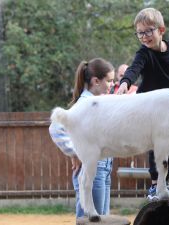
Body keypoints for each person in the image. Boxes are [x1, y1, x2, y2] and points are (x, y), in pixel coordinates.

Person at [116, 7, 169, 201]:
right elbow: (134, 69)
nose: (144, 37)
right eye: (140, 33)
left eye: (148, 31)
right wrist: (125, 83)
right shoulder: (144, 53)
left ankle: (168, 182)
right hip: (149, 105)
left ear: (161, 30)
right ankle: (154, 185)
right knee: (156, 144)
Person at [49, 58, 115, 218]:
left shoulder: (98, 102)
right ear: (96, 81)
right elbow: (55, 127)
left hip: (104, 168)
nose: (112, 85)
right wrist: (77, 153)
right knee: (91, 220)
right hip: (94, 169)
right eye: (110, 81)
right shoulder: (86, 104)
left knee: (101, 220)